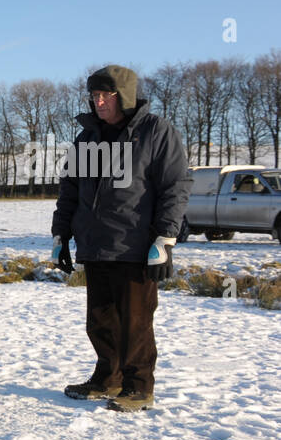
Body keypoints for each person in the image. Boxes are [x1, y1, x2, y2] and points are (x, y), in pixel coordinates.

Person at [50, 65, 189, 412]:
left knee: (135, 321)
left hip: (136, 245)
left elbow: (175, 186)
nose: (98, 102)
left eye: (105, 95)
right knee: (100, 318)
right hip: (95, 244)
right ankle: (107, 377)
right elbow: (70, 190)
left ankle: (139, 386)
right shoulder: (87, 139)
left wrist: (165, 237)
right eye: (94, 96)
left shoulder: (155, 132)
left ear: (123, 96)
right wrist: (60, 234)